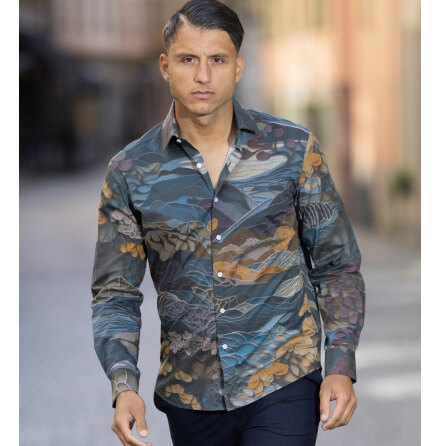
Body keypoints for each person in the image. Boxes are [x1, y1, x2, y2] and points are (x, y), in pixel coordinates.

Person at [90, 1, 366, 445]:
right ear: (165, 66)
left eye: (217, 60)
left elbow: (337, 266)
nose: (203, 75)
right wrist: (124, 385)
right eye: (188, 59)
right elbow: (114, 293)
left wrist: (340, 363)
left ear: (238, 67)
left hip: (284, 378)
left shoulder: (293, 151)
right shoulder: (129, 171)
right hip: (190, 395)